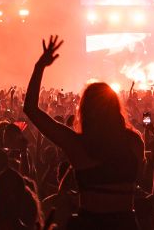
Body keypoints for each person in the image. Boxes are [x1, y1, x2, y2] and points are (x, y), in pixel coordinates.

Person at [22, 36, 144, 228]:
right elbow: (137, 181)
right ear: (115, 108)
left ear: (85, 111)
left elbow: (30, 109)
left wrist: (40, 67)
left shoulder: (78, 146)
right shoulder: (134, 142)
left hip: (90, 224)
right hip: (125, 224)